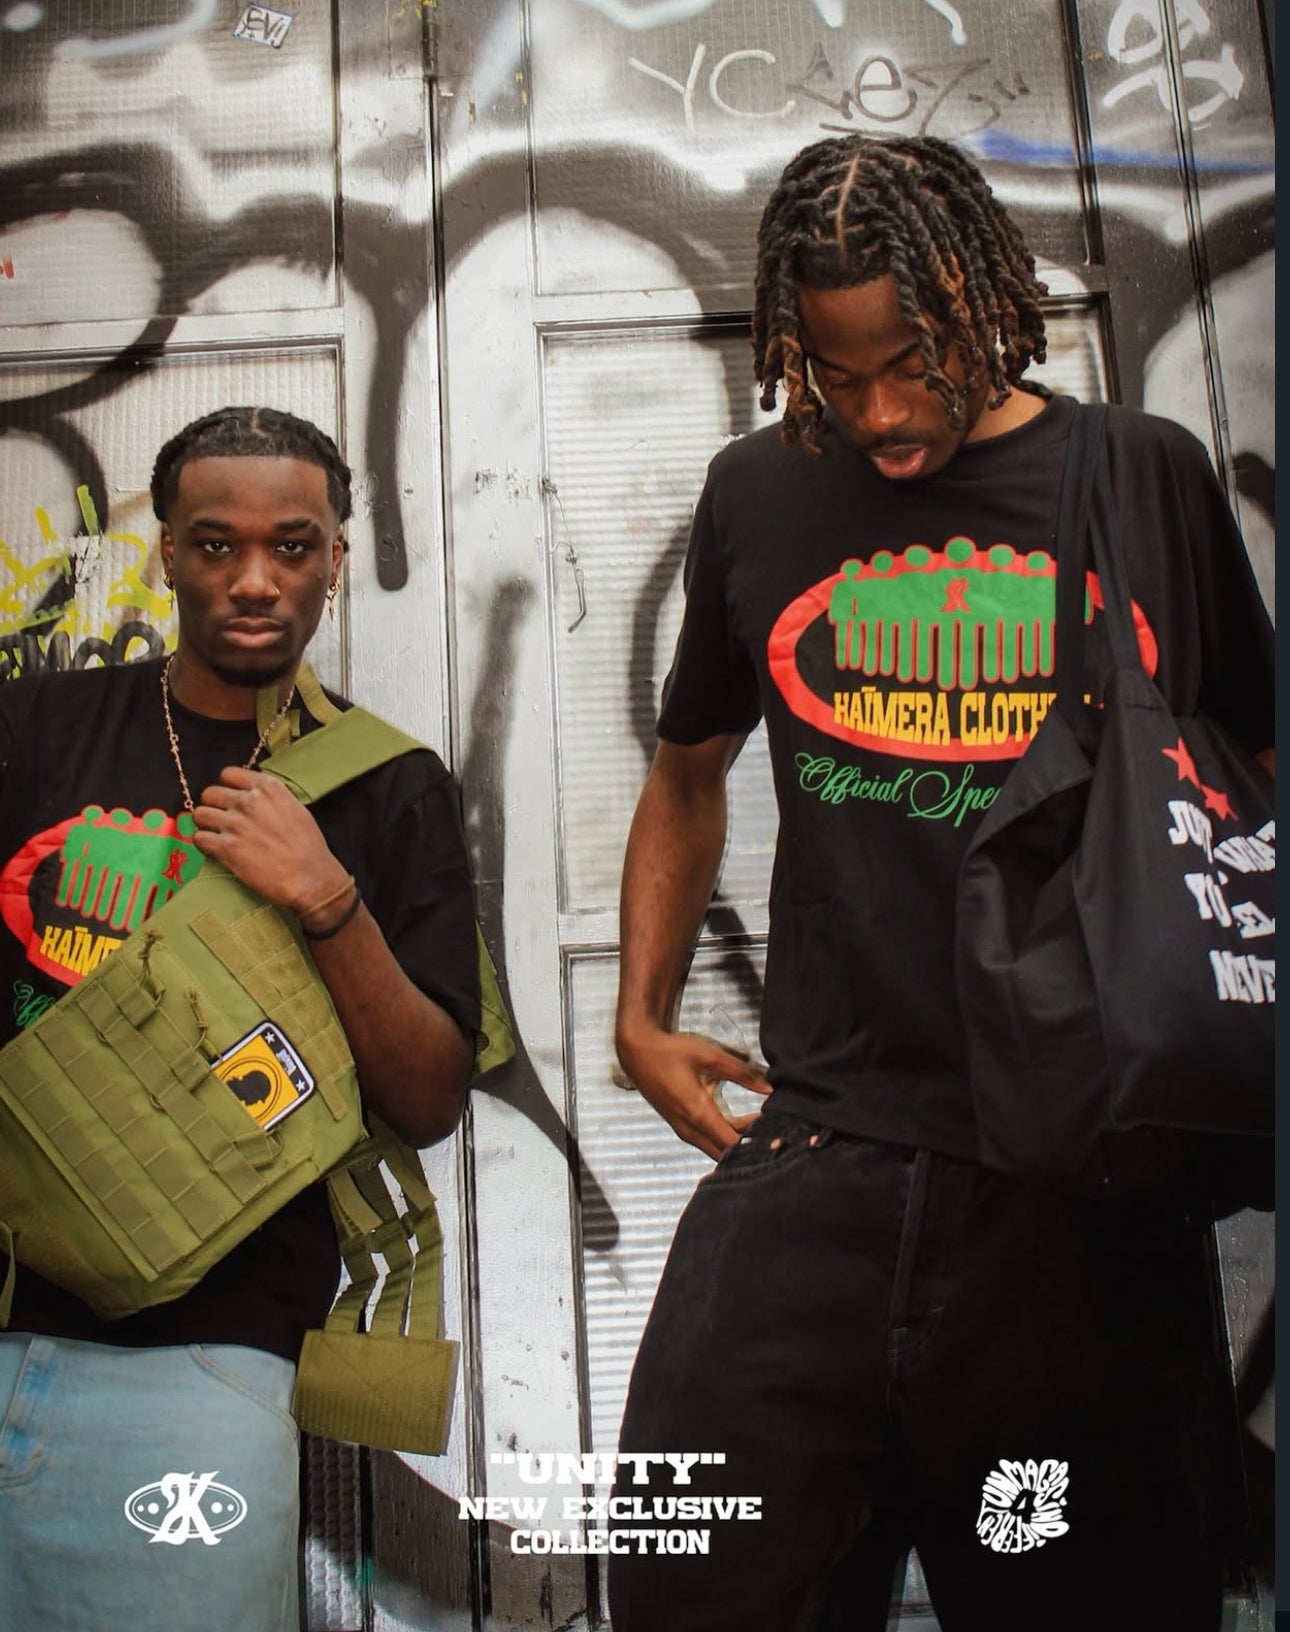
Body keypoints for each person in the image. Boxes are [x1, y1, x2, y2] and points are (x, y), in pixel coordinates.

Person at [609, 135, 1273, 1631]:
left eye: (913, 362)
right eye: (835, 374)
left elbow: (1259, 774)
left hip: (1084, 1187)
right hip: (826, 1145)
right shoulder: (759, 494)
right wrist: (640, 1017)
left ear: (986, 296)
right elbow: (688, 769)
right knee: (682, 1583)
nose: (881, 415)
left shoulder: (1139, 474)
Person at [0, 407, 481, 1632]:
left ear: (336, 557)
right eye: (216, 545)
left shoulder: (389, 787)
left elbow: (428, 1095)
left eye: (292, 546)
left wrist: (326, 898)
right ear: (166, 549)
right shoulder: (32, 731)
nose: (254, 579)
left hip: (203, 1360)